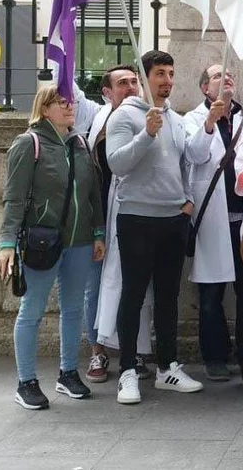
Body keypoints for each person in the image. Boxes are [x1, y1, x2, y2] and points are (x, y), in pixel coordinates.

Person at [107, 49, 211, 404]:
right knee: (133, 295)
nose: (167, 81)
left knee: (168, 296)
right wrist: (146, 135)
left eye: (170, 73)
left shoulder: (177, 119)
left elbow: (189, 161)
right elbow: (117, 164)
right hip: (137, 218)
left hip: (173, 220)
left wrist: (188, 200)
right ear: (144, 77)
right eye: (160, 74)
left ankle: (167, 367)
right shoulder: (125, 116)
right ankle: (127, 371)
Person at [0, 85, 105, 409]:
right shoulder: (28, 143)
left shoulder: (80, 142)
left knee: (73, 310)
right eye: (61, 101)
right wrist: (6, 243)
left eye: (71, 101)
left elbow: (92, 195)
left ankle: (68, 373)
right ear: (45, 108)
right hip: (42, 241)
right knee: (32, 310)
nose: (69, 106)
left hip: (80, 241)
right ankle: (26, 381)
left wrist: (98, 233)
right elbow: (14, 198)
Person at [182, 64, 243, 391]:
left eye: (228, 75)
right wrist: (210, 123)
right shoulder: (192, 119)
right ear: (204, 88)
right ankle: (214, 355)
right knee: (211, 292)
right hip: (211, 217)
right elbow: (195, 155)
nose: (225, 78)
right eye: (217, 76)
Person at [80, 65, 141, 384]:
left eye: (134, 81)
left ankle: (137, 351)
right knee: (94, 286)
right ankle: (98, 349)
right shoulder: (97, 118)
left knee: (135, 284)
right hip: (98, 216)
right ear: (106, 92)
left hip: (135, 213)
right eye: (122, 83)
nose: (131, 87)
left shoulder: (150, 117)